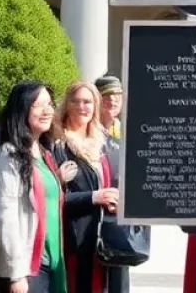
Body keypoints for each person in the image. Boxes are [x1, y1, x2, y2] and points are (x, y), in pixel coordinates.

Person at [0, 81, 78, 293]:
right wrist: (16, 275)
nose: (47, 110)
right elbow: (5, 216)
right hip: (28, 268)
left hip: (53, 262)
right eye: (38, 105)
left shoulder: (45, 154)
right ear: (21, 109)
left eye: (50, 104)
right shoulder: (8, 155)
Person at [53, 80, 127, 293]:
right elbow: (52, 198)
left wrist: (115, 200)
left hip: (106, 239)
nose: (82, 107)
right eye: (76, 101)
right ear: (67, 104)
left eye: (87, 102)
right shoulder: (57, 144)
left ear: (95, 106)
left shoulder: (106, 143)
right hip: (74, 240)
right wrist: (95, 197)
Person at [95, 75, 123, 140]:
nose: (111, 98)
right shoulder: (85, 130)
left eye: (117, 95)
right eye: (105, 95)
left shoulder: (125, 131)